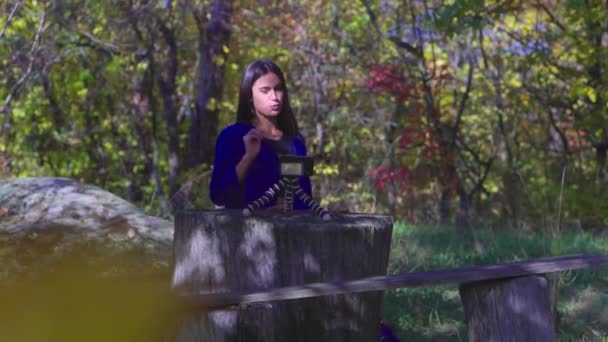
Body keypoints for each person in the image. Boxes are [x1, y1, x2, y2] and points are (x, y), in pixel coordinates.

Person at [209, 59, 312, 210]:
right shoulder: (233, 137)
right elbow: (218, 195)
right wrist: (248, 158)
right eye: (265, 90)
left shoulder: (295, 141)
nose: (275, 97)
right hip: (247, 230)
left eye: (278, 89)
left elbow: (305, 198)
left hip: (292, 229)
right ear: (249, 95)